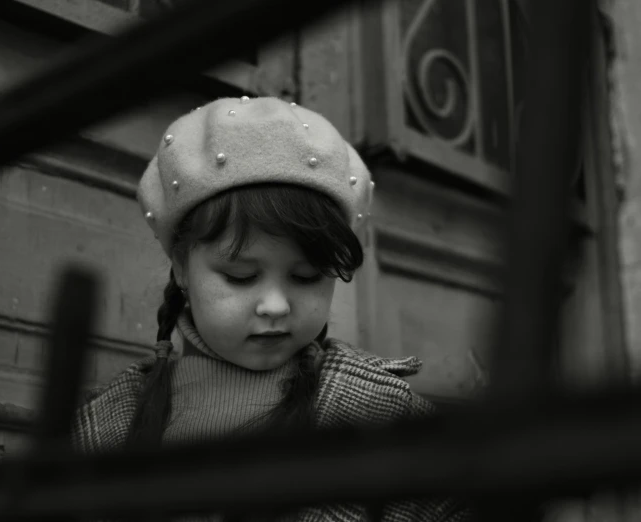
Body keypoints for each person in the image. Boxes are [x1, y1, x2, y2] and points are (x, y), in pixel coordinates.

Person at [71, 96, 470, 521]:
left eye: (305, 277)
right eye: (241, 276)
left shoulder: (384, 420)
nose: (276, 306)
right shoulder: (106, 429)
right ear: (182, 270)